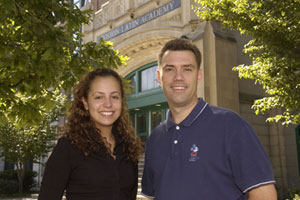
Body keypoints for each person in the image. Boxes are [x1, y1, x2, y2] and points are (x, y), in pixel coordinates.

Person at [141, 38, 277, 200]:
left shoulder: (231, 125)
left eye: (187, 69)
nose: (179, 77)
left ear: (199, 75)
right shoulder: (155, 138)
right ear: (159, 76)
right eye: (170, 69)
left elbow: (264, 194)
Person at [38, 68, 143, 200]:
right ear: (85, 103)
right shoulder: (68, 147)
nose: (108, 104)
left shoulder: (128, 148)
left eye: (114, 97)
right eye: (99, 97)